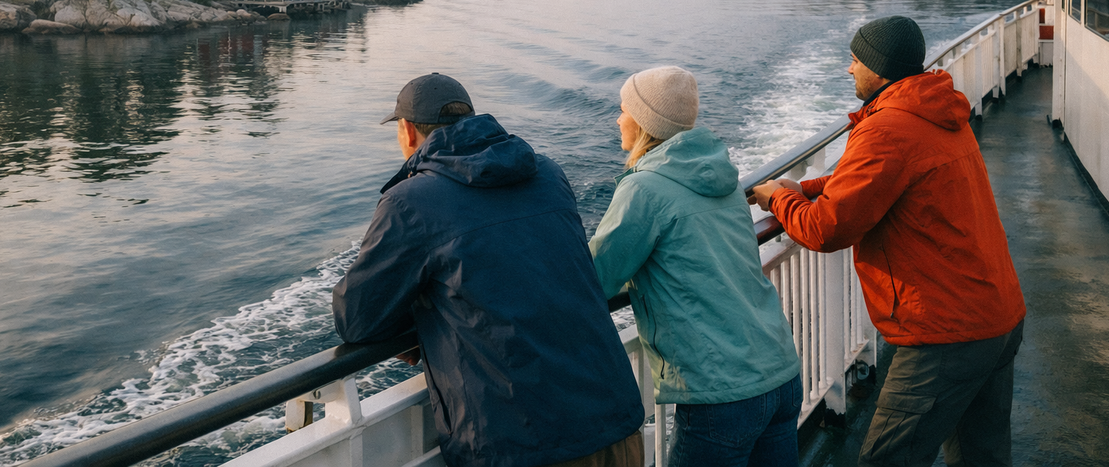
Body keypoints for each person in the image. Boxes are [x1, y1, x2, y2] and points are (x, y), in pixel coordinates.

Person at [749, 16, 1026, 467]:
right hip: (997, 314)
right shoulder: (934, 110)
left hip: (946, 333)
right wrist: (809, 187)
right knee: (982, 458)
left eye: (855, 60)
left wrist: (780, 198)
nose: (849, 70)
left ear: (879, 69)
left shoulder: (886, 129)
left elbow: (826, 228)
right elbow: (871, 179)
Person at [332, 73, 645, 467]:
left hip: (522, 444)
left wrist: (423, 315)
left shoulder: (411, 202)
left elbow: (357, 320)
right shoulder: (548, 173)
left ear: (408, 131)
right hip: (614, 417)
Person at [588, 66, 803, 467]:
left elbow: (593, 279)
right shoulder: (722, 175)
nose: (618, 119)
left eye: (623, 110)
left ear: (645, 121)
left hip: (722, 394)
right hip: (780, 372)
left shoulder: (644, 189)